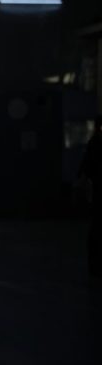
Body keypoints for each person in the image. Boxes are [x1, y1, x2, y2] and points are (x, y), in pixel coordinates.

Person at [79, 115, 102, 277]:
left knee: (96, 229)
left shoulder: (94, 143)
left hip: (98, 192)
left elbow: (85, 168)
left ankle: (94, 267)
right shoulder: (96, 144)